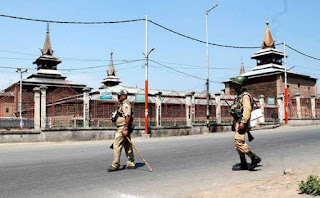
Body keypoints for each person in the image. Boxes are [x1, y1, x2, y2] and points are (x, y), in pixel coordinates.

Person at [230, 76, 261, 171]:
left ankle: (254, 158)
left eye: (236, 85)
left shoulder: (245, 96)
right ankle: (243, 163)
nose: (234, 87)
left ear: (241, 86)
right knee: (237, 144)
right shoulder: (240, 96)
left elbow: (247, 110)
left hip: (242, 123)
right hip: (238, 122)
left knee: (239, 142)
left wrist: (242, 124)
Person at [108, 89, 135, 172]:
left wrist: (126, 129)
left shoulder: (125, 104)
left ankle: (115, 164)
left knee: (116, 145)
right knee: (127, 145)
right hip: (123, 127)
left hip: (123, 128)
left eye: (119, 96)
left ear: (124, 95)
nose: (118, 97)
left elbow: (128, 117)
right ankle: (131, 162)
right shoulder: (122, 104)